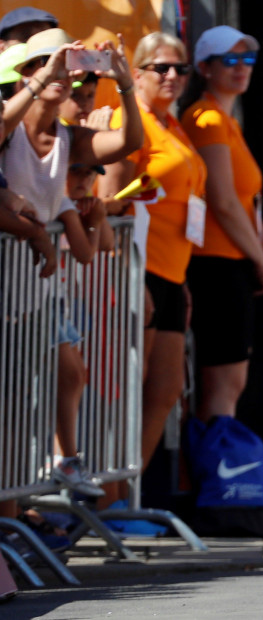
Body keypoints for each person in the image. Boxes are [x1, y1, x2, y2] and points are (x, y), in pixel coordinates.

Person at [0, 27, 142, 497]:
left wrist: (124, 85)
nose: (61, 74)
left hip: (36, 296)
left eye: (68, 67)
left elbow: (127, 143)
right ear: (23, 73)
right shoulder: (11, 129)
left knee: (29, 407)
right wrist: (45, 78)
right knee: (9, 416)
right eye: (47, 63)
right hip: (7, 290)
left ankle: (18, 520)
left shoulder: (70, 138)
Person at [98, 32, 206, 501]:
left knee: (164, 391)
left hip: (171, 273)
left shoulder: (174, 124)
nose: (171, 77)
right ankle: (106, 498)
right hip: (137, 272)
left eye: (180, 69)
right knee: (127, 390)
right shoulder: (132, 122)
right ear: (136, 73)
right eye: (160, 68)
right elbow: (110, 205)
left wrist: (179, 282)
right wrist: (126, 275)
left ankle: (125, 494)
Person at [179, 25, 263, 423]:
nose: (241, 68)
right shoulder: (206, 119)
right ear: (204, 67)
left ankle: (218, 471)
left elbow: (244, 201)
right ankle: (217, 478)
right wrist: (261, 257)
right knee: (224, 381)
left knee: (232, 380)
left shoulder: (225, 120)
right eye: (230, 60)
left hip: (233, 259)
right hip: (218, 263)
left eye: (247, 59)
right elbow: (221, 199)